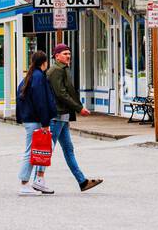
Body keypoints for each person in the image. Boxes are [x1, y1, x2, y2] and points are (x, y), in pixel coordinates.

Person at [46, 43, 103, 192]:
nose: (68, 56)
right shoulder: (56, 71)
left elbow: (67, 92)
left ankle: (82, 181)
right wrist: (79, 108)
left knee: (68, 149)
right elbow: (61, 94)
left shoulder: (63, 69)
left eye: (69, 53)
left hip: (63, 116)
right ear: (56, 56)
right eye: (65, 53)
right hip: (57, 115)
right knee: (47, 149)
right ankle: (35, 180)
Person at [15, 50, 58, 195]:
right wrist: (45, 122)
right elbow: (41, 102)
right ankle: (24, 183)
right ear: (44, 63)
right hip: (36, 120)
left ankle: (39, 180)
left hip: (30, 119)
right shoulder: (39, 77)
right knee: (31, 150)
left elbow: (20, 98)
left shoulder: (29, 77)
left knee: (46, 147)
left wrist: (21, 116)